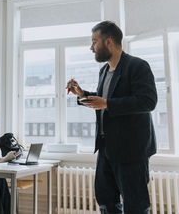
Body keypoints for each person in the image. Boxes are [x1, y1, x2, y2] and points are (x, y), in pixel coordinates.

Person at [66, 21, 157, 214]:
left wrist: (107, 103)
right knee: (105, 200)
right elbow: (104, 101)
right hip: (106, 148)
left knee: (136, 206)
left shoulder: (137, 66)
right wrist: (81, 93)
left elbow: (148, 101)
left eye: (94, 42)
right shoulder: (104, 71)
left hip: (131, 151)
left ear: (108, 42)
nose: (91, 48)